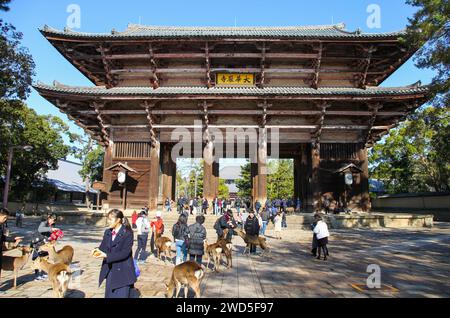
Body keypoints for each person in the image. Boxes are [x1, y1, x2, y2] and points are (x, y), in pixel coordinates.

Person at [95, 209, 137, 298]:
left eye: (110, 219)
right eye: (108, 219)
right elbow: (103, 247)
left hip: (123, 270)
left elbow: (125, 252)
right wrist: (97, 251)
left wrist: (107, 255)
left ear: (118, 220)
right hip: (110, 270)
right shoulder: (108, 232)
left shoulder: (127, 233)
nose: (108, 222)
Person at [0, 208, 23, 293]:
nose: (5, 220)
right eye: (5, 217)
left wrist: (14, 239)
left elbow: (3, 237)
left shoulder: (1, 226)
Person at [32, 213, 60, 281]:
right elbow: (40, 229)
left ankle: (43, 273)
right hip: (38, 242)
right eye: (52, 220)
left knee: (45, 258)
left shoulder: (52, 225)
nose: (52, 222)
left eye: (54, 221)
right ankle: (36, 275)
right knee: (37, 259)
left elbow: (51, 234)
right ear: (49, 218)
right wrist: (51, 229)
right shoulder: (44, 222)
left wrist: (56, 235)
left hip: (45, 243)